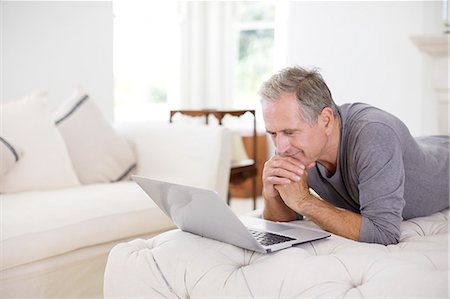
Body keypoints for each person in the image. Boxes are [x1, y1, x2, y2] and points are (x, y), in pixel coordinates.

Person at [259, 66, 449, 245]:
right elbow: (285, 221)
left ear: (325, 120)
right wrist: (271, 194)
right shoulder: (296, 147)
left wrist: (305, 202)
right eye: (273, 134)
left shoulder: (374, 133)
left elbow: (384, 233)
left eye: (290, 132)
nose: (280, 147)